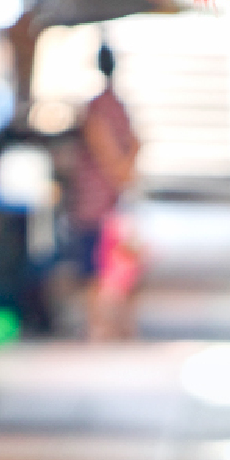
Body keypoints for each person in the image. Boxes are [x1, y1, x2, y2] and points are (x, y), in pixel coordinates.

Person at [69, 44, 141, 340]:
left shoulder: (100, 106)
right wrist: (124, 172)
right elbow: (134, 143)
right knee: (112, 262)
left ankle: (101, 325)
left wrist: (119, 171)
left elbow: (104, 147)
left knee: (101, 263)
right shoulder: (118, 106)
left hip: (97, 199)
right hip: (110, 195)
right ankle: (109, 324)